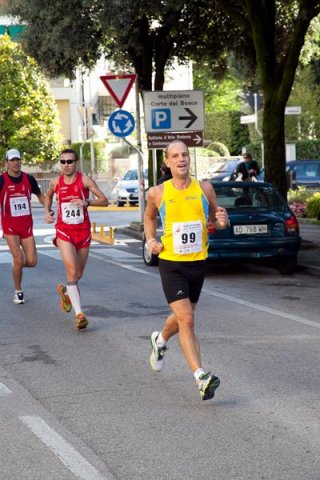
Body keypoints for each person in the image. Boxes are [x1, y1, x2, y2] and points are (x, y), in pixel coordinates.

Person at [144, 140, 229, 401]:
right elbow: (148, 217)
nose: (181, 159)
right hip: (171, 264)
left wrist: (223, 221)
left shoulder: (205, 188)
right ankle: (201, 377)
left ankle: (159, 341)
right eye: (175, 156)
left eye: (185, 155)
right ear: (167, 162)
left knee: (185, 316)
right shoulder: (157, 192)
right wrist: (151, 240)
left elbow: (218, 217)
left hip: (197, 263)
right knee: (188, 320)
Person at [45, 148, 109, 330]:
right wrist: (47, 211)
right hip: (64, 231)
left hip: (83, 232)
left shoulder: (85, 180)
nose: (66, 165)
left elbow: (104, 200)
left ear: (76, 163)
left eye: (70, 161)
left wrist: (86, 202)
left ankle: (66, 291)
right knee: (72, 271)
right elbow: (48, 196)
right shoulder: (55, 182)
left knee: (77, 274)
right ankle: (79, 314)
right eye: (63, 162)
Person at [0, 149, 45, 304]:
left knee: (32, 262)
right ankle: (18, 291)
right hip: (10, 227)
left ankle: (16, 266)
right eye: (12, 160)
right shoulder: (2, 180)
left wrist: (48, 208)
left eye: (18, 159)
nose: (16, 163)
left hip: (26, 226)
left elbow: (40, 196)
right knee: (18, 259)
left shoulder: (29, 179)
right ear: (6, 163)